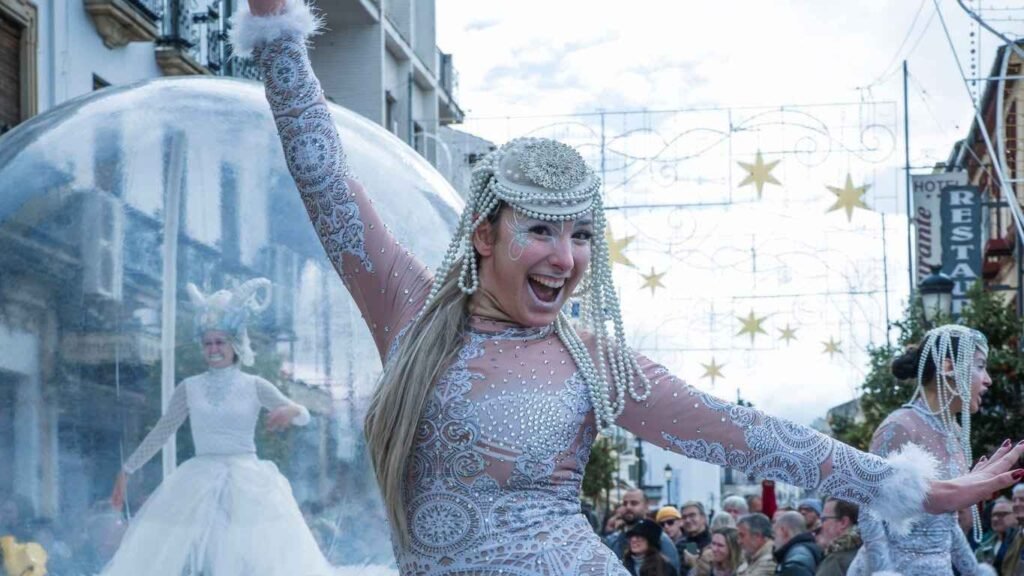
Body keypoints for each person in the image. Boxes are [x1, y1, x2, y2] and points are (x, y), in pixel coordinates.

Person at [233, 3, 1024, 573]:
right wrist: (275, 32)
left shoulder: (592, 359)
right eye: (541, 229)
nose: (565, 257)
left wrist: (917, 488)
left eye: (582, 234)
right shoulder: (407, 309)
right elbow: (322, 173)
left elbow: (751, 434)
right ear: (484, 235)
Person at [100, 279, 334, 576]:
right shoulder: (189, 388)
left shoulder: (253, 385)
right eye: (208, 343)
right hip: (199, 481)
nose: (213, 349)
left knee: (250, 558)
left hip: (247, 483)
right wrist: (127, 470)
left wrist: (291, 410)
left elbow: (304, 416)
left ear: (234, 344)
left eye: (220, 342)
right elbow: (162, 431)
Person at [848, 325, 999, 576]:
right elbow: (870, 511)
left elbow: (947, 525)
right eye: (981, 366)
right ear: (949, 368)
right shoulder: (900, 425)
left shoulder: (954, 434)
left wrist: (974, 571)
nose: (988, 379)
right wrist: (884, 571)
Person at [607, 490, 681, 574]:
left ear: (646, 507)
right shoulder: (613, 540)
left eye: (634, 503)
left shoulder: (662, 540)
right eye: (624, 503)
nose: (628, 507)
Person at [814, 499, 861, 576]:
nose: (820, 525)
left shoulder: (836, 561)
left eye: (824, 519)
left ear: (843, 522)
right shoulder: (866, 550)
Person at [771, 511, 820, 576]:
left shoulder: (796, 562)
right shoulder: (805, 551)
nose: (774, 541)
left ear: (784, 531)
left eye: (775, 535)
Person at [975, 497, 1017, 566]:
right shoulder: (983, 547)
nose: (995, 519)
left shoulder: (1020, 542)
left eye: (1002, 514)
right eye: (993, 515)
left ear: (1016, 515)